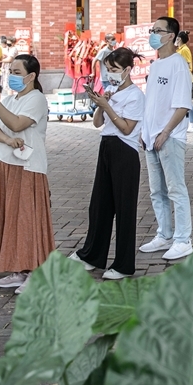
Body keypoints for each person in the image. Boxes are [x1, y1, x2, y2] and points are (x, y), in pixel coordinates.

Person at [0, 54, 54, 295]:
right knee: (10, 217)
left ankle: (37, 272)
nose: (12, 76)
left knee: (28, 218)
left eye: (17, 72)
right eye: (10, 71)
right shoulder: (9, 100)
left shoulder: (37, 99)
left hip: (28, 166)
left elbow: (17, 124)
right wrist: (8, 140)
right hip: (6, 163)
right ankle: (19, 269)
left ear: (31, 76)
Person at [71, 48, 145, 279]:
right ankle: (92, 254)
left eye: (114, 70)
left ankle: (123, 264)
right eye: (108, 69)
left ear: (127, 70)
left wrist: (107, 106)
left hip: (125, 151)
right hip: (107, 147)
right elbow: (97, 124)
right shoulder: (111, 90)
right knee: (99, 205)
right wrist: (99, 103)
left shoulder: (136, 96)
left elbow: (126, 128)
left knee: (124, 210)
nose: (110, 74)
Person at [138, 17, 193, 261]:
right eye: (152, 30)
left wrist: (165, 132)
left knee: (175, 189)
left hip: (169, 137)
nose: (153, 34)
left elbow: (182, 106)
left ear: (171, 35)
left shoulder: (178, 64)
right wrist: (145, 131)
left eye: (158, 31)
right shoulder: (156, 65)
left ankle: (183, 240)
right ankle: (164, 234)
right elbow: (152, 104)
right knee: (156, 191)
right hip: (151, 137)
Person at [174, 31, 193, 133]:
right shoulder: (180, 50)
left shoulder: (184, 50)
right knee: (185, 101)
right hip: (182, 79)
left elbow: (188, 66)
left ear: (179, 39)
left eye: (176, 38)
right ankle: (191, 123)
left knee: (187, 101)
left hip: (186, 79)